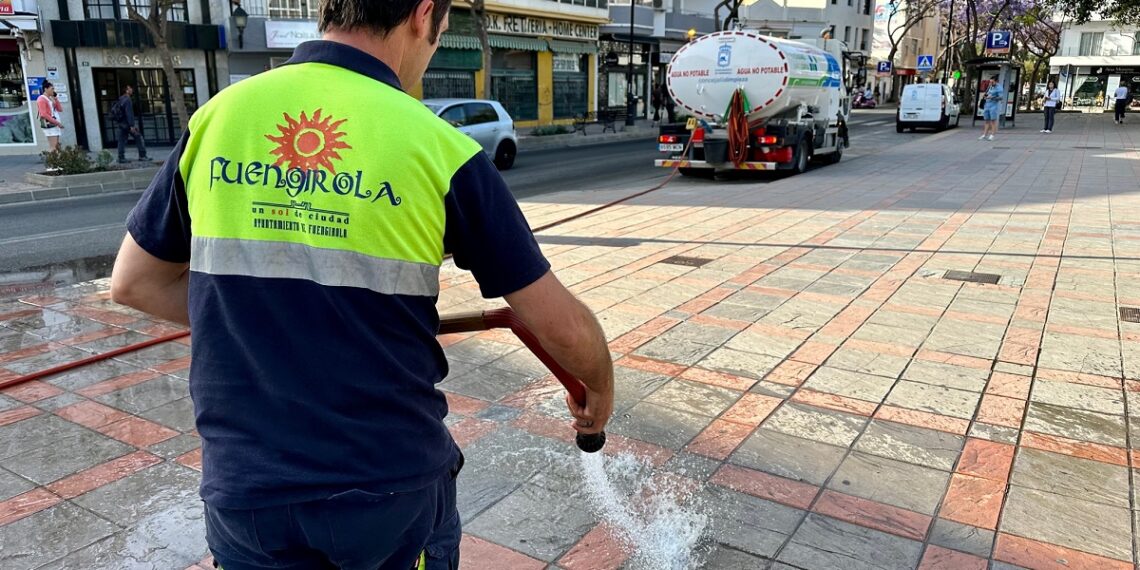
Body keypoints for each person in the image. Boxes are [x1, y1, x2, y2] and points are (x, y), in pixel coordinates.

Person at [108, 0, 615, 568]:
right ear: (422, 15)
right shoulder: (439, 147)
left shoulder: (219, 119)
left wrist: (271, 320)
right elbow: (563, 328)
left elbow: (135, 283)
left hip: (246, 493)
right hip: (385, 489)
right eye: (440, 34)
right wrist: (600, 385)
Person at [112, 85, 149, 163]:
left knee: (121, 140)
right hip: (127, 124)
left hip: (121, 123)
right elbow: (129, 113)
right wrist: (132, 125)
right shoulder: (128, 100)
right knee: (138, 137)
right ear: (126, 90)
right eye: (130, 88)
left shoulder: (121, 99)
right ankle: (142, 156)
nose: (132, 90)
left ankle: (121, 157)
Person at [36, 81, 64, 151]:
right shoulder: (41, 99)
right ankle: (53, 158)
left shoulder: (50, 98)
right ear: (46, 89)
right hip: (50, 124)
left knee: (57, 146)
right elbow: (44, 114)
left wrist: (55, 99)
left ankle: (58, 157)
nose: (53, 90)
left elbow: (60, 109)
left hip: (54, 123)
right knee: (53, 146)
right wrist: (57, 123)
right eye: (52, 89)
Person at [980, 74, 1004, 141]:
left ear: (996, 81)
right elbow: (987, 93)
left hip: (993, 106)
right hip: (987, 104)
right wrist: (985, 96)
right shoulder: (990, 86)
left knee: (993, 121)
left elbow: (1001, 98)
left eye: (992, 82)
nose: (990, 83)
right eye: (990, 82)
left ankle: (992, 135)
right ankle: (984, 135)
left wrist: (992, 97)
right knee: (986, 120)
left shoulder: (999, 88)